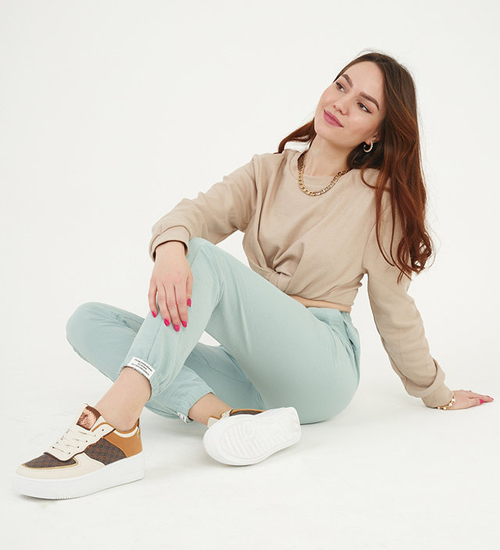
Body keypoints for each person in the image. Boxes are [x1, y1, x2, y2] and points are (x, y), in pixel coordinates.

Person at [13, 51, 494, 500]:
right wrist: (170, 249)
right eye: (341, 86)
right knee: (88, 319)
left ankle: (117, 426)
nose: (341, 103)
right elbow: (192, 214)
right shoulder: (267, 172)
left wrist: (436, 391)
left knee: (203, 257)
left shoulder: (377, 200)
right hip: (248, 370)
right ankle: (225, 417)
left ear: (375, 134)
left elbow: (394, 310)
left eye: (364, 105)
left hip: (319, 368)